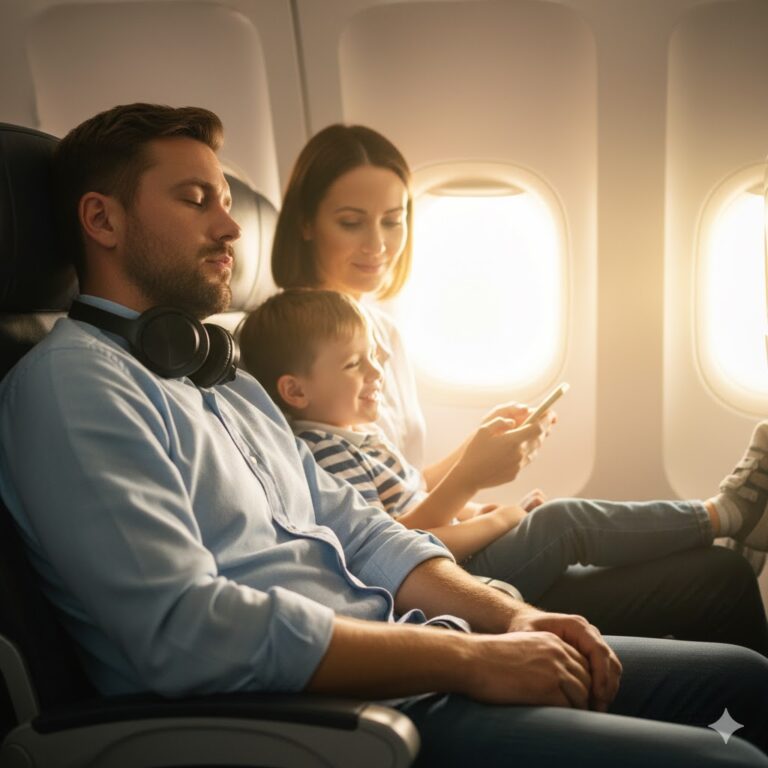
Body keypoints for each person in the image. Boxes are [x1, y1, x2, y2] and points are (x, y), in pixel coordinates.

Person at [1, 103, 768, 767]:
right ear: (102, 219)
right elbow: (186, 631)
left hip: (407, 654)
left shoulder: (219, 375)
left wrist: (513, 617)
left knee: (739, 684)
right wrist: (470, 658)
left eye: (226, 199)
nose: (231, 225)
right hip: (319, 717)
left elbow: (360, 527)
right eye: (197, 199)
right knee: (717, 757)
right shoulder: (74, 387)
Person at [270, 122, 768, 652]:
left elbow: (395, 477)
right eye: (351, 222)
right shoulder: (283, 352)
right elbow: (364, 529)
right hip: (427, 578)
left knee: (722, 572)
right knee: (579, 528)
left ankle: (723, 530)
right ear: (305, 223)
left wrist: (478, 452)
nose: (379, 244)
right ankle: (727, 515)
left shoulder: (380, 331)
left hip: (439, 543)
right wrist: (471, 481)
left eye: (394, 221)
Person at [239, 287, 768, 600]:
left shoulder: (360, 436)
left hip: (453, 557)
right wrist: (498, 519)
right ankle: (724, 515)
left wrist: (481, 501)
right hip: (444, 580)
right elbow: (390, 544)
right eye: (356, 364)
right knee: (564, 521)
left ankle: (711, 535)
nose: (378, 372)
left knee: (561, 521)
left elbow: (412, 504)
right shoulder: (321, 453)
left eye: (375, 356)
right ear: (296, 391)